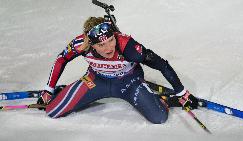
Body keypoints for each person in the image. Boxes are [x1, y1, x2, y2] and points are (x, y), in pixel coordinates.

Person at [37, 16, 198, 124]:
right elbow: (61, 58)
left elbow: (161, 64)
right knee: (52, 111)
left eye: (111, 40)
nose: (109, 48)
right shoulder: (81, 44)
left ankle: (160, 99)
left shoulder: (128, 46)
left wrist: (181, 92)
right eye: (101, 45)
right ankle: (61, 91)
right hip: (95, 81)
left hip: (128, 82)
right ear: (90, 44)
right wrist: (49, 89)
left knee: (159, 118)